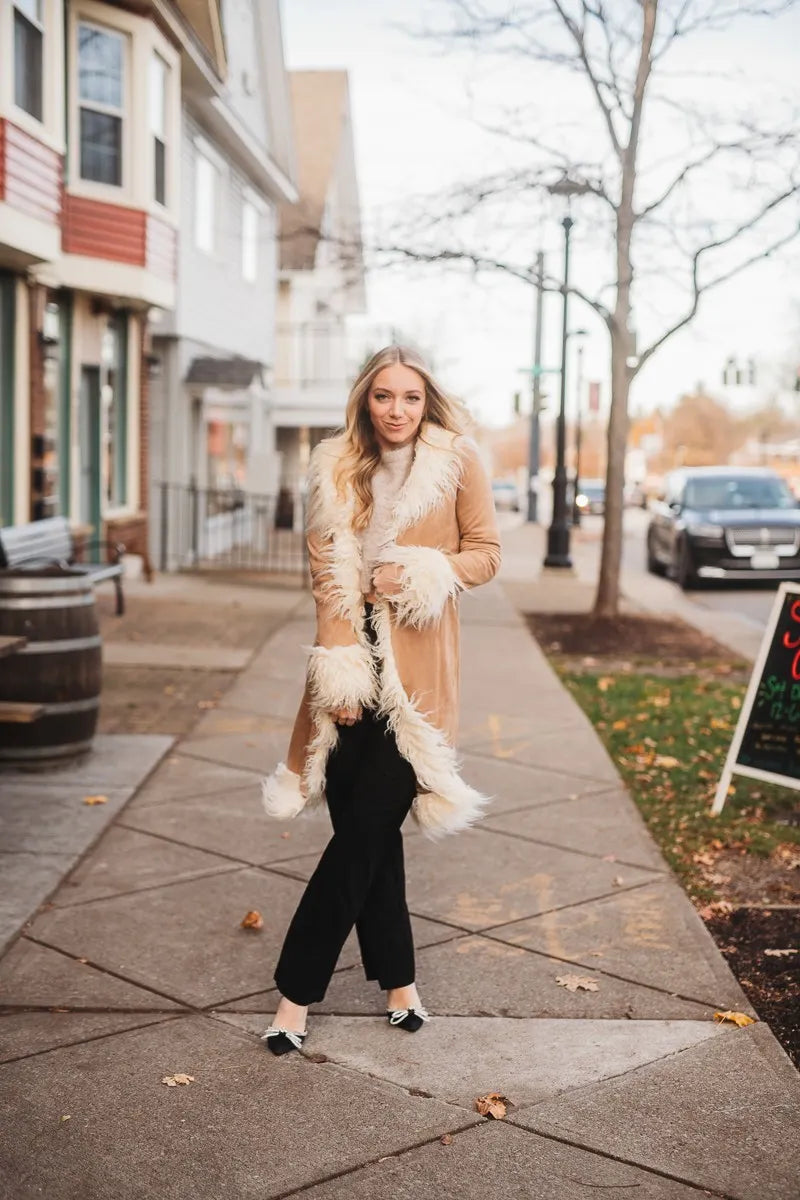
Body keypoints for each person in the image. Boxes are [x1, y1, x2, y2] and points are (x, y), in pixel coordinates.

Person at [259, 344, 502, 1055]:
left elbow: (485, 554)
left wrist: (423, 570)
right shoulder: (334, 464)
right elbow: (324, 576)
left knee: (362, 834)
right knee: (372, 842)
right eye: (384, 397)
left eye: (411, 398)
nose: (397, 410)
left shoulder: (457, 461)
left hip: (417, 672)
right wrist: (339, 674)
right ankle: (399, 983)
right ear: (365, 400)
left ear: (428, 403)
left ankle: (294, 994)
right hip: (345, 655)